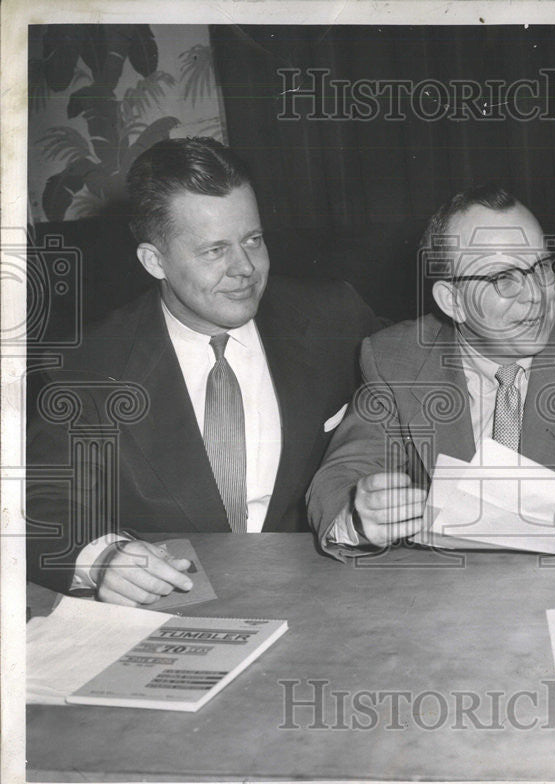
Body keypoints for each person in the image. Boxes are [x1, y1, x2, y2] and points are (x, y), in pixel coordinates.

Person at [27, 137, 380, 605]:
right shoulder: (89, 363)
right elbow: (40, 505)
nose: (246, 268)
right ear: (155, 261)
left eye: (252, 239)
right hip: (171, 608)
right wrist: (103, 560)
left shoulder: (331, 317)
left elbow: (421, 370)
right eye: (214, 250)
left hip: (321, 594)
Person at [307, 185, 555, 560]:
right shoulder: (395, 359)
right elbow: (339, 476)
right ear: (453, 301)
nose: (537, 295)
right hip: (440, 593)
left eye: (541, 267)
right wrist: (359, 515)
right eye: (504, 278)